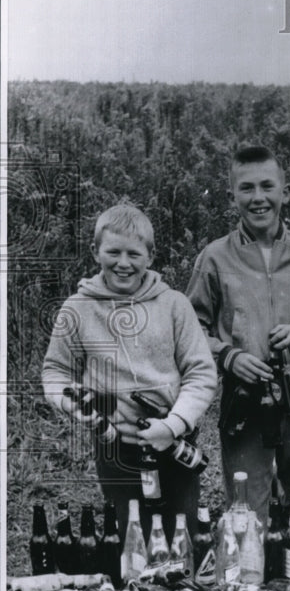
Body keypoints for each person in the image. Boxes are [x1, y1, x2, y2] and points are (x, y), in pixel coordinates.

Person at [186, 144, 290, 527]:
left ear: (284, 192)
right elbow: (189, 329)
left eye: (267, 186)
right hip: (245, 401)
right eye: (247, 189)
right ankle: (251, 577)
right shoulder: (214, 258)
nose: (258, 198)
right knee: (247, 508)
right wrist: (228, 356)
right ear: (232, 197)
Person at [42, 204, 218, 545]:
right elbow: (56, 371)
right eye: (113, 252)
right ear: (96, 252)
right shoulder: (76, 309)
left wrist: (173, 425)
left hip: (173, 441)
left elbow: (201, 373)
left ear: (150, 256)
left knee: (180, 545)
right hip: (115, 447)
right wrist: (71, 402)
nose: (124, 263)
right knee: (129, 548)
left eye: (134, 254)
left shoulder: (175, 305)